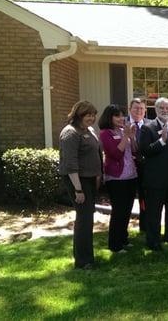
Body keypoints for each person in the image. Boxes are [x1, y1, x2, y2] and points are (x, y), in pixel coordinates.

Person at [58, 100, 101, 270]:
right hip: (78, 180)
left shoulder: (88, 130)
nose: (91, 118)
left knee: (87, 218)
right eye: (87, 115)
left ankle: (86, 257)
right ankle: (83, 261)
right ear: (78, 115)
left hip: (89, 179)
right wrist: (78, 189)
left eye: (93, 115)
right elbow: (70, 163)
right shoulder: (70, 133)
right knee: (83, 219)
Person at [138, 97, 168, 251]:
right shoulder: (147, 128)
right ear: (156, 110)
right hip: (155, 179)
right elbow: (145, 150)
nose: (165, 111)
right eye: (162, 108)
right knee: (154, 212)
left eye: (167, 108)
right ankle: (153, 241)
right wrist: (162, 141)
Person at [98, 104, 138, 253]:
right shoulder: (105, 133)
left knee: (127, 210)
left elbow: (134, 150)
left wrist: (131, 138)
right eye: (117, 116)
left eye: (122, 115)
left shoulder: (123, 131)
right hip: (116, 178)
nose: (121, 118)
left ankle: (123, 239)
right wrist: (126, 136)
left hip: (131, 175)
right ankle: (114, 244)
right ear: (109, 117)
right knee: (118, 211)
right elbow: (115, 154)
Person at [128, 98, 150, 232]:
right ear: (130, 109)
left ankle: (144, 227)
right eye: (136, 108)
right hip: (126, 169)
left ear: (145, 110)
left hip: (145, 169)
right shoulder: (121, 124)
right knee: (126, 200)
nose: (139, 111)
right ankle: (122, 229)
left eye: (142, 108)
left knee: (145, 198)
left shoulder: (150, 125)